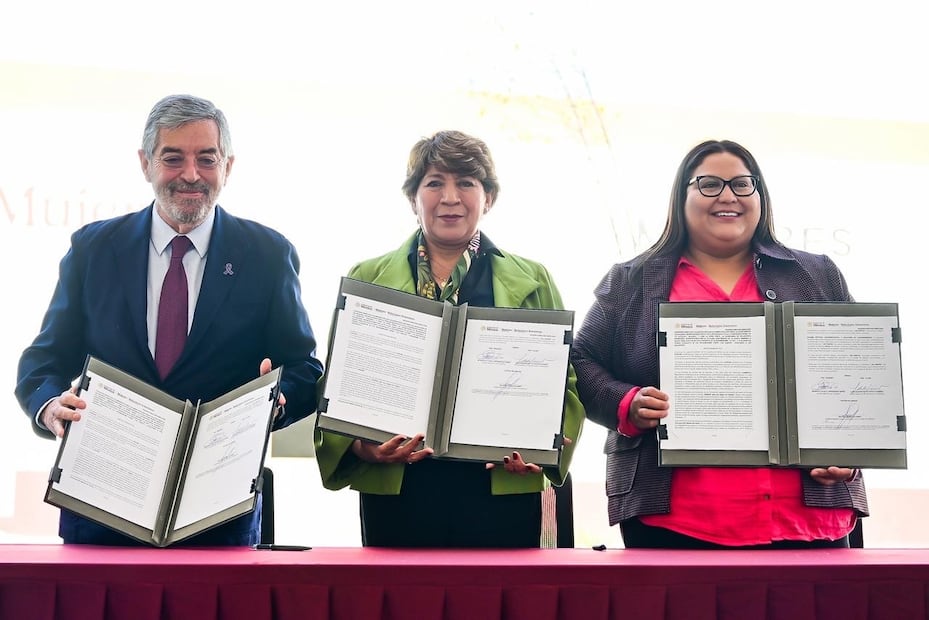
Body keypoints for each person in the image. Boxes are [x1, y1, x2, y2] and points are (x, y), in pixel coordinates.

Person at [15, 94, 324, 546]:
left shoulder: (268, 254)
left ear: (228, 166)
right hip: (101, 504)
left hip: (218, 515)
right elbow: (42, 362)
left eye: (207, 159)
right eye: (173, 158)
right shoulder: (93, 249)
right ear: (146, 163)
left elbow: (304, 368)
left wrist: (276, 400)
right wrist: (49, 406)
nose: (191, 174)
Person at [571, 139, 868, 549]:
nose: (728, 196)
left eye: (742, 184)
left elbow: (857, 369)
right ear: (681, 197)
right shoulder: (631, 280)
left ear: (760, 195)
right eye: (709, 184)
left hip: (808, 516)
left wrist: (849, 451)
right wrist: (628, 404)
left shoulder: (815, 275)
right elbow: (581, 361)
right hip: (676, 520)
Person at [314, 130, 584, 547]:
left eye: (466, 183)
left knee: (502, 589)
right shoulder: (367, 277)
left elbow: (564, 384)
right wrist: (360, 448)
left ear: (488, 197)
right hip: (399, 489)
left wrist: (542, 450)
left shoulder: (535, 279)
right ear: (413, 198)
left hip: (500, 487)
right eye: (435, 183)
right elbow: (338, 381)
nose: (450, 197)